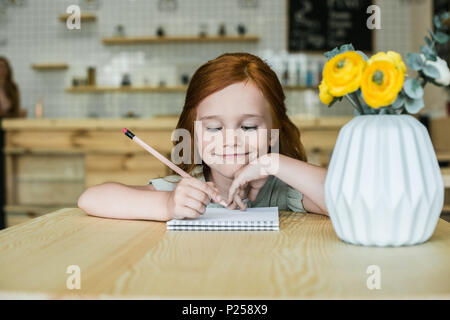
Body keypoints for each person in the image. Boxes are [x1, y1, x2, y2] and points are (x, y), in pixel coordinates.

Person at [77, 52, 328, 221]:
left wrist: (275, 163)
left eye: (249, 127)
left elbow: (343, 197)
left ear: (275, 132)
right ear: (194, 132)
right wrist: (167, 205)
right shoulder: (186, 188)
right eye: (214, 128)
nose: (230, 140)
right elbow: (91, 199)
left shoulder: (282, 190)